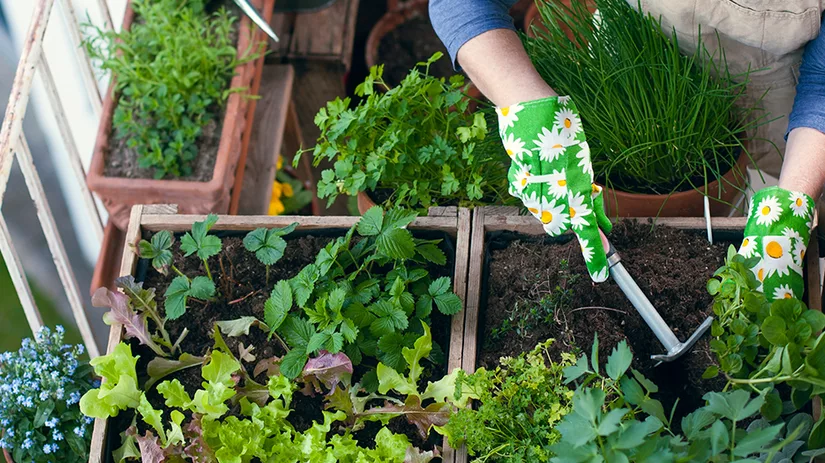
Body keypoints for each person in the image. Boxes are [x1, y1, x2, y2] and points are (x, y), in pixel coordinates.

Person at [430, 0, 825, 301]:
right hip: (634, 67)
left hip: (786, 99)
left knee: (788, 218)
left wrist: (794, 200)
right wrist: (527, 106)